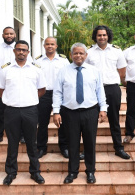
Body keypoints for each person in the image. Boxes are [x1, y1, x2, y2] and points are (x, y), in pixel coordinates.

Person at [53, 42, 107, 184]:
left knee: (90, 143)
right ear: (71, 55)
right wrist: (56, 112)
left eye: (81, 53)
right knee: (72, 144)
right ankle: (72, 172)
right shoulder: (63, 71)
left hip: (90, 112)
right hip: (69, 113)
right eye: (75, 53)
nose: (78, 55)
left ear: (86, 55)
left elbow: (100, 91)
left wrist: (103, 109)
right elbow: (57, 92)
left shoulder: (94, 71)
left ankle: (90, 172)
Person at [0, 40, 46, 185]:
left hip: (30, 110)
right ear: (14, 51)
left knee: (31, 142)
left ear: (28, 52)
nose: (21, 52)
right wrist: (10, 99)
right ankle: (11, 173)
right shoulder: (6, 69)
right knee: (12, 143)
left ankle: (35, 172)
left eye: (24, 50)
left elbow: (42, 89)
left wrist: (30, 99)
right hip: (11, 111)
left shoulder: (36, 69)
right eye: (18, 50)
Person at [86, 25, 130, 160]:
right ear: (95, 36)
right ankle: (88, 150)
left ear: (108, 36)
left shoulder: (117, 51)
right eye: (99, 35)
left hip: (112, 88)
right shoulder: (89, 52)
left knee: (114, 120)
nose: (102, 37)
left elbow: (122, 71)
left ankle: (118, 148)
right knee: (90, 121)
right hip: (93, 90)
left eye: (104, 35)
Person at [0, 26, 31, 145]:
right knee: (0, 110)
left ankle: (22, 135)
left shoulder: (21, 48)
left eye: (11, 34)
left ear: (15, 35)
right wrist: (2, 77)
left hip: (17, 84)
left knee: (19, 110)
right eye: (6, 34)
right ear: (3, 35)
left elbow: (29, 63)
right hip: (1, 84)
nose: (9, 36)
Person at [34, 37, 70, 159]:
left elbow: (69, 76)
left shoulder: (63, 61)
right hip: (44, 95)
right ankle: (41, 148)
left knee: (62, 122)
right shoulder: (37, 61)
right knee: (42, 122)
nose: (50, 46)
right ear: (44, 46)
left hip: (60, 95)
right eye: (47, 44)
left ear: (56, 46)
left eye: (52, 44)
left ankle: (64, 147)